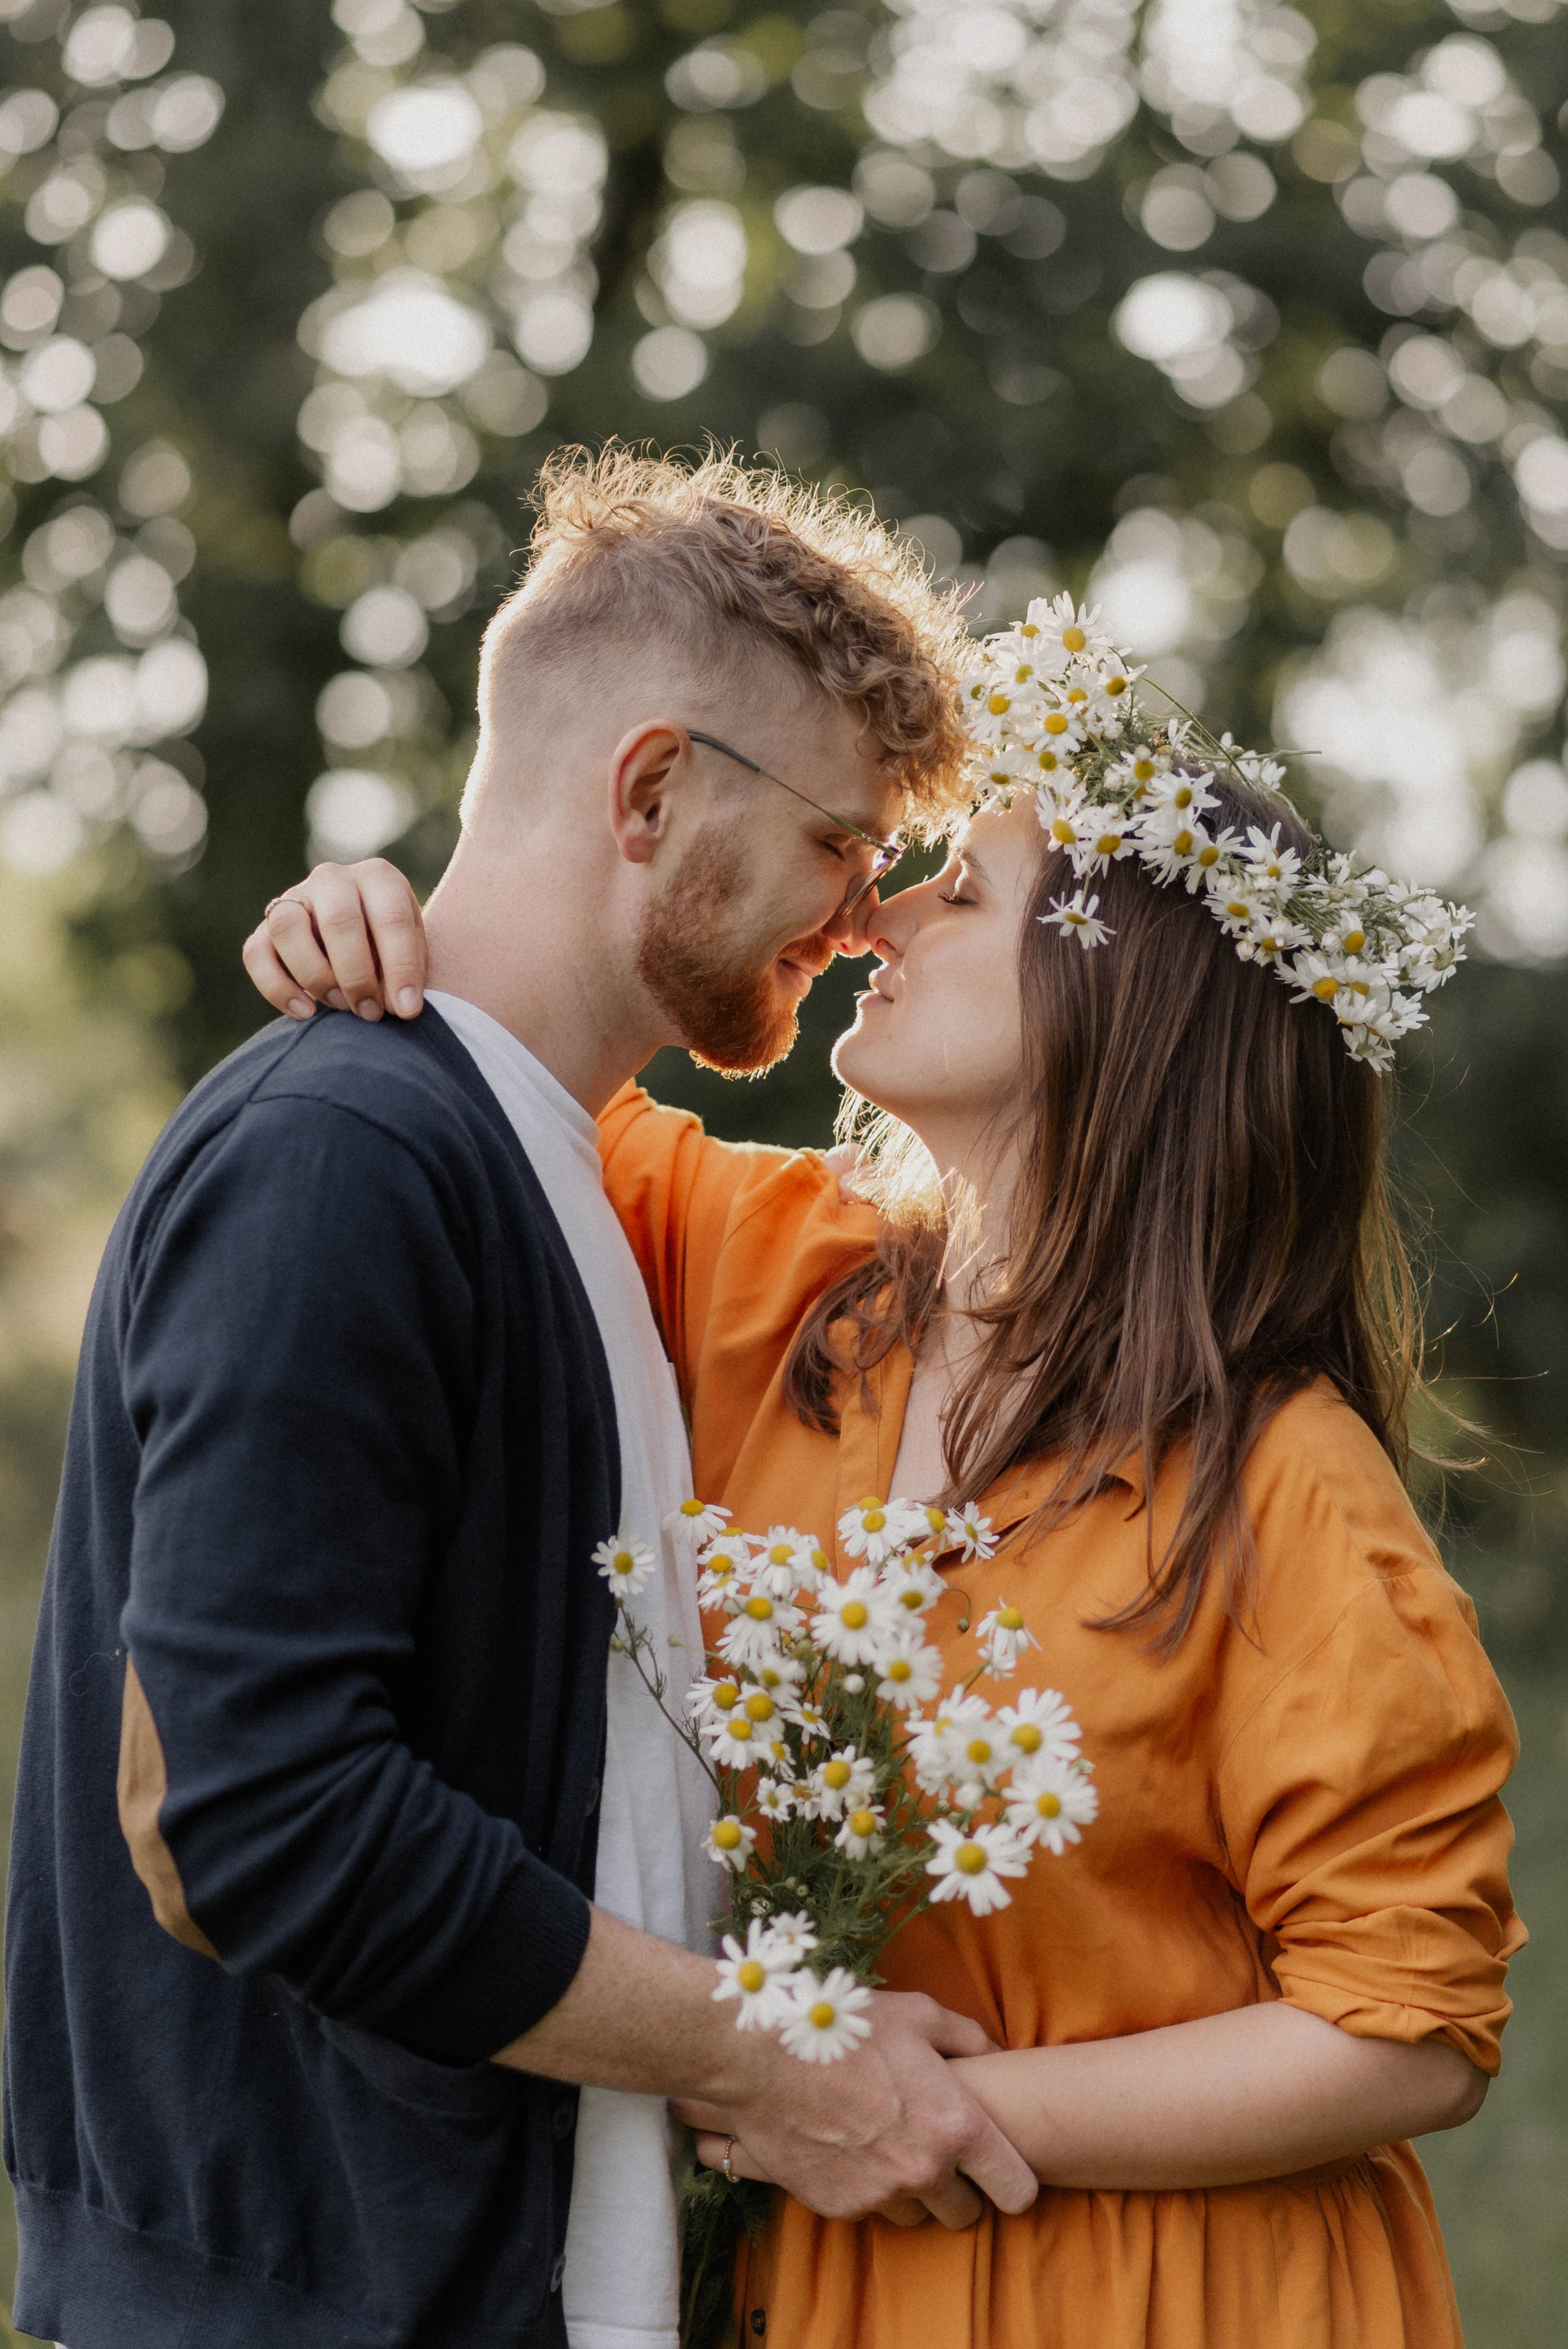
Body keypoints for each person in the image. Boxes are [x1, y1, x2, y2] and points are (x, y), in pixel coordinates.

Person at [255, 742, 1523, 2346]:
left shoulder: (1285, 1484)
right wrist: (372, 934)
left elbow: (1408, 2029)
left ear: (1111, 1013)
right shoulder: (759, 1259)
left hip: (1174, 2295)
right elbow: (487, 1076)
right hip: (819, 2276)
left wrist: (897, 2109)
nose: (879, 917)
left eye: (961, 888)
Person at [2, 450, 1043, 2349]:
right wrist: (776, 2057)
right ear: (651, 790)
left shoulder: (533, 1162)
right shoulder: (344, 1155)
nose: (866, 909)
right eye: (838, 838)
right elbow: (255, 1814)